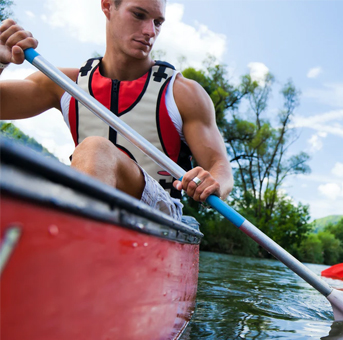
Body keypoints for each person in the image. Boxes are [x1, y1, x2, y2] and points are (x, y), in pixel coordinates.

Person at [0, 0, 233, 222]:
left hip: (160, 213)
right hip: (87, 197)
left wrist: (214, 183)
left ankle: (71, 242)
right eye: (139, 15)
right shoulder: (63, 83)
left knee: (95, 148)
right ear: (107, 6)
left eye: (158, 22)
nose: (150, 31)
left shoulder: (183, 93)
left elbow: (220, 168)